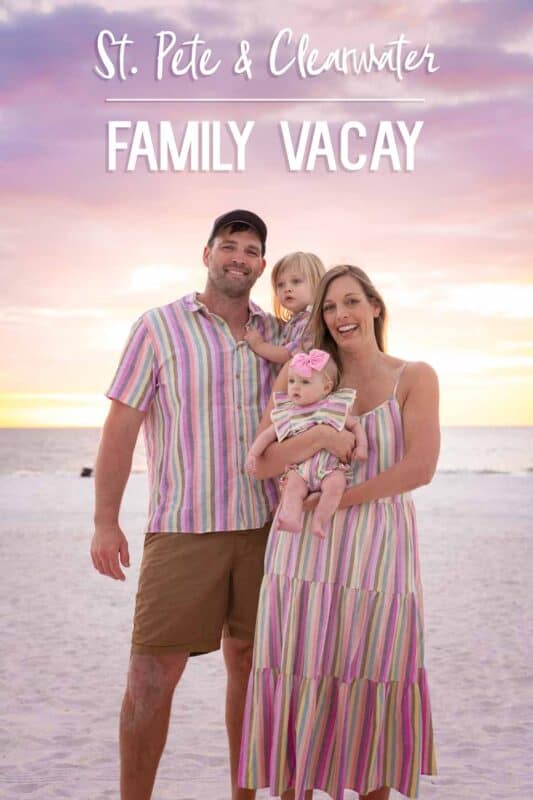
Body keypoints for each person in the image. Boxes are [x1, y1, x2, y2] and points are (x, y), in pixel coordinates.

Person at [90, 209, 285, 800]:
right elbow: (120, 429)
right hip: (183, 531)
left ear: (262, 265)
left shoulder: (278, 337)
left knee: (251, 670)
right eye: (229, 246)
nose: (239, 259)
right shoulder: (157, 327)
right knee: (151, 676)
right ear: (206, 254)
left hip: (265, 530)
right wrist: (105, 520)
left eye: (251, 252)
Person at [238, 265, 439, 800]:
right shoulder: (304, 376)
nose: (341, 315)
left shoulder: (414, 376)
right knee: (297, 675)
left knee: (374, 669)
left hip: (378, 553)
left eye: (351, 302)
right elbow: (260, 462)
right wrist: (322, 434)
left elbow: (419, 468)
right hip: (301, 554)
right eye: (329, 307)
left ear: (375, 306)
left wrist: (339, 501)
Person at [246, 348, 367, 538]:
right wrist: (253, 454)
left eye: (305, 382)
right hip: (300, 471)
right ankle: (291, 518)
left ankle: (319, 520)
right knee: (292, 488)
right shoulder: (288, 412)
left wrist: (361, 447)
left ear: (326, 388)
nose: (295, 387)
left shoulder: (333, 407)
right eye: (292, 381)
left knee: (336, 486)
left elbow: (355, 426)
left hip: (329, 468)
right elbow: (267, 435)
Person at [244, 251, 325, 364]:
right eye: (281, 284)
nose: (287, 289)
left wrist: (259, 345)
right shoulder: (295, 321)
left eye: (296, 281)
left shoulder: (312, 322)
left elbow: (288, 355)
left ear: (318, 284)